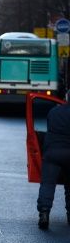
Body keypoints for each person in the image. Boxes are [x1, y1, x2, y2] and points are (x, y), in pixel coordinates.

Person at [36, 92, 70, 229]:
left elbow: (49, 128)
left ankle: (44, 212)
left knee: (48, 184)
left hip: (52, 154)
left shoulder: (54, 111)